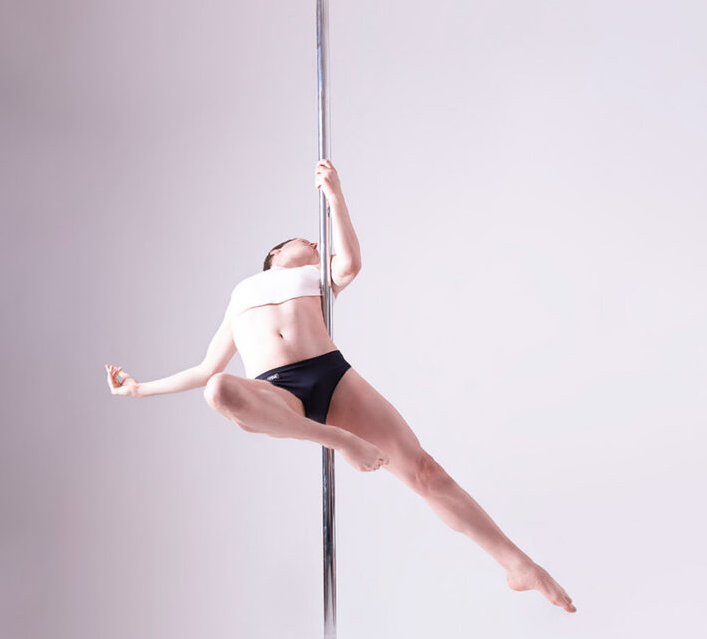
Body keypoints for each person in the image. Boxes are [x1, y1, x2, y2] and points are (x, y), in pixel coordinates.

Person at [105, 158, 576, 614]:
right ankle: (340, 442)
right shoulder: (242, 292)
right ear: (274, 255)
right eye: (302, 241)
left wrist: (334, 196)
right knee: (219, 392)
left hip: (331, 374)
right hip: (276, 394)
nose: (314, 243)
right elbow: (207, 368)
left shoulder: (316, 276)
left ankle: (518, 564)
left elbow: (349, 264)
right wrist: (139, 388)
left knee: (426, 472)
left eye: (317, 243)